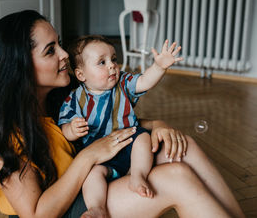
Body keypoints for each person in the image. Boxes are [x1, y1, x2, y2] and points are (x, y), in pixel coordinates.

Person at [0, 10, 245, 218]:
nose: (64, 55)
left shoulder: (58, 100)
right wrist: (89, 155)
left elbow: (105, 124)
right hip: (62, 212)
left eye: (59, 43)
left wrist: (157, 125)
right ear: (19, 67)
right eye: (51, 51)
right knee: (177, 177)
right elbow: (37, 215)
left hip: (86, 185)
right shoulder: (2, 141)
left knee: (182, 148)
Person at [58, 35, 183, 215]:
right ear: (81, 74)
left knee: (143, 138)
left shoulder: (123, 83)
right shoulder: (75, 99)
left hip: (129, 143)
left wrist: (159, 67)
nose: (112, 65)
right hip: (99, 155)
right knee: (93, 175)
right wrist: (72, 129)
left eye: (114, 59)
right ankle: (97, 208)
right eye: (102, 62)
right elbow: (65, 129)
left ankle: (136, 175)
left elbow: (144, 81)